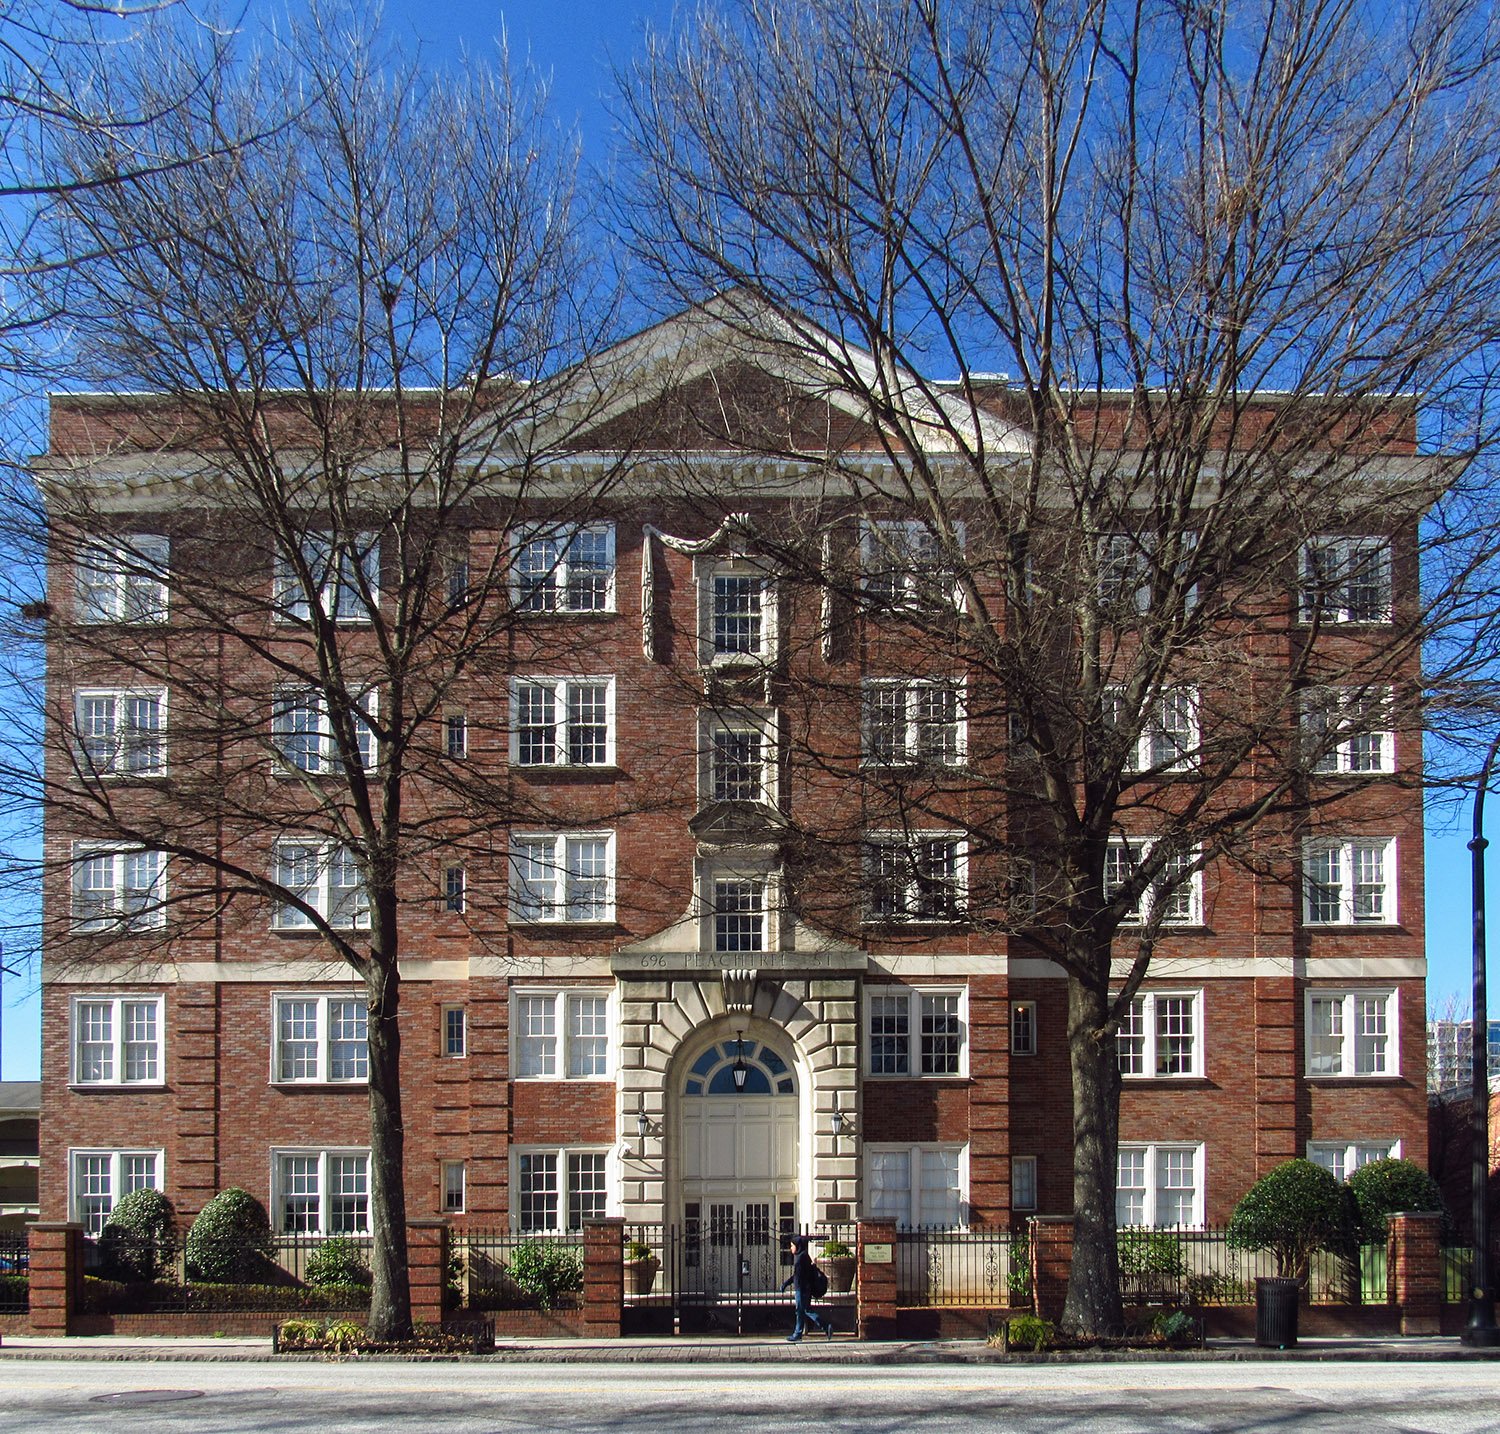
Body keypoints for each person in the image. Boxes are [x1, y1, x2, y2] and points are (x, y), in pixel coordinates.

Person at [780, 1234, 833, 1342]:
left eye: (792, 1245)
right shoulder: (805, 1256)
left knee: (801, 1311)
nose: (790, 1248)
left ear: (797, 1246)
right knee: (804, 1310)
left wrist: (786, 1283)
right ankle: (822, 1328)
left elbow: (797, 1276)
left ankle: (801, 1332)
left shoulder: (800, 1259)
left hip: (802, 1289)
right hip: (806, 1289)